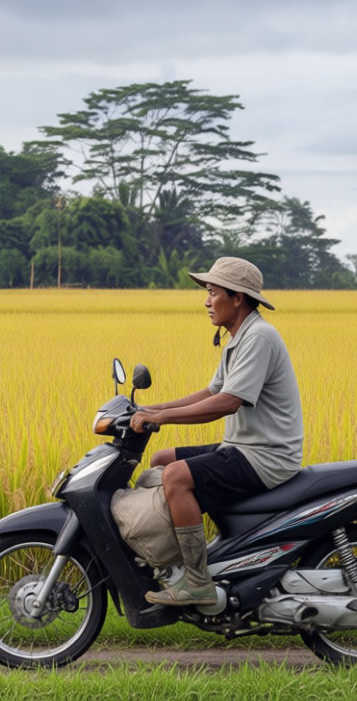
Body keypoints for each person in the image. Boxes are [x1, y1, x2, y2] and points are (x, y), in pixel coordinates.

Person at [130, 257, 303, 606]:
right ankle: (180, 562)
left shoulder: (259, 337)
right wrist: (153, 409)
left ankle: (197, 581)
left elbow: (228, 402)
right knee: (163, 459)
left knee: (176, 476)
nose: (206, 302)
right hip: (243, 447)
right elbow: (211, 392)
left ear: (237, 297)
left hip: (266, 456)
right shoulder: (238, 338)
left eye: (213, 293)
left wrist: (164, 419)